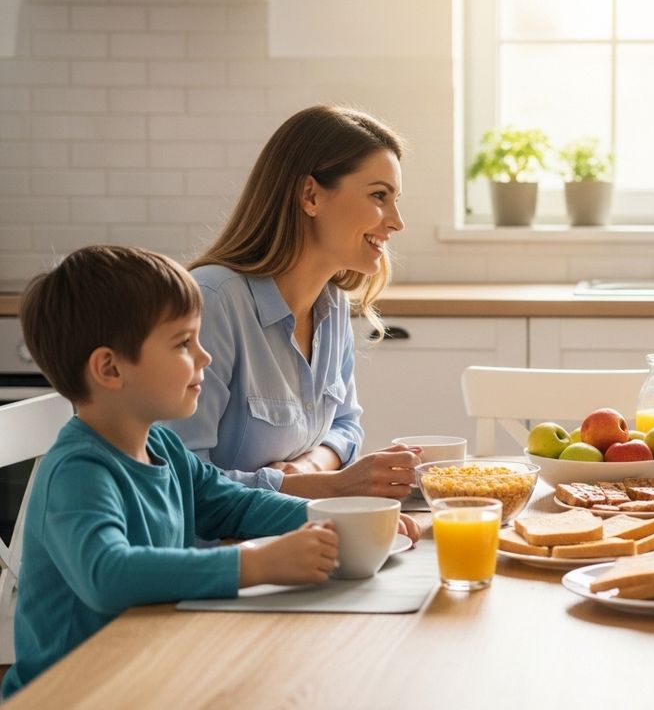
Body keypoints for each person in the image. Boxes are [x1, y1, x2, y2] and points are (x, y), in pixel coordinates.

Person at [2, 246, 408, 698]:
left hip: (150, 672)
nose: (205, 357)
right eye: (183, 343)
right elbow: (108, 574)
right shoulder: (78, 471)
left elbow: (236, 506)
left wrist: (341, 519)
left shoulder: (162, 447)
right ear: (110, 368)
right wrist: (253, 565)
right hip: (73, 694)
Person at [168, 105, 421, 499]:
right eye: (379, 196)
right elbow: (179, 482)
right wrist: (324, 485)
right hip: (221, 555)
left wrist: (308, 468)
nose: (397, 221)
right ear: (310, 195)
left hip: (295, 540)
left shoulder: (332, 304)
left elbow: (346, 425)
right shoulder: (214, 302)